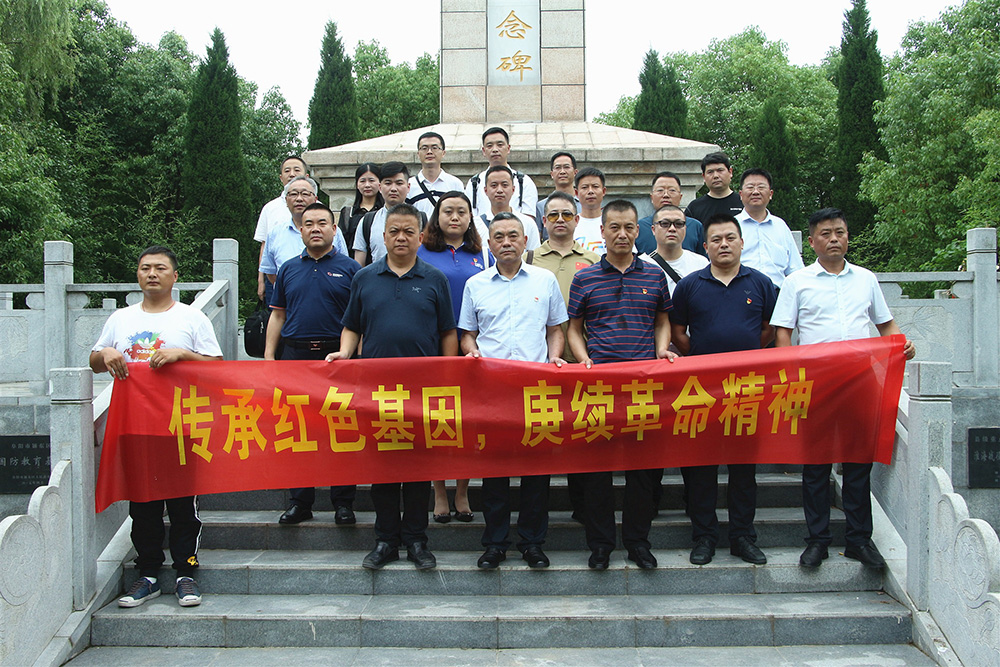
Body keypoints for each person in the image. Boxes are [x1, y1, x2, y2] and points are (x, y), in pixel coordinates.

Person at [771, 207, 916, 570]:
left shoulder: (866, 279)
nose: (834, 239)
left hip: (860, 383)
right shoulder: (797, 282)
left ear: (848, 236)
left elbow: (885, 325)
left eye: (840, 232)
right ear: (812, 241)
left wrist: (901, 344)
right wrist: (789, 382)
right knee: (816, 467)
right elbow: (783, 334)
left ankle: (859, 540)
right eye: (826, 233)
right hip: (816, 385)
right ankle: (817, 541)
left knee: (858, 464)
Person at [90, 245, 223, 608]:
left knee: (182, 505)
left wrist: (183, 355)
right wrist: (106, 354)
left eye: (160, 268)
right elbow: (94, 360)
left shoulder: (191, 318)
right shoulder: (121, 319)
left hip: (181, 425)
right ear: (138, 275)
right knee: (143, 503)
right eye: (145, 268)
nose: (152, 273)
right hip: (135, 425)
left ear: (174, 276)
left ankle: (186, 572)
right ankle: (147, 574)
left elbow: (216, 366)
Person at [327, 203, 458, 571]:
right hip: (376, 391)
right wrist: (344, 352)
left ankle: (416, 539)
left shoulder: (435, 279)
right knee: (382, 469)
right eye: (394, 232)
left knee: (417, 470)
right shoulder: (364, 278)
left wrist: (447, 375)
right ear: (383, 237)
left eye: (408, 232)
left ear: (421, 237)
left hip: (421, 392)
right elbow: (353, 325)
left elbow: (447, 331)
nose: (401, 238)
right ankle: (385, 540)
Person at [566, 200, 677, 571]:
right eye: (614, 227)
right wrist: (583, 359)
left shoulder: (654, 276)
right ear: (602, 231)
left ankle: (638, 542)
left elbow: (662, 320)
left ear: (637, 231)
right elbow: (574, 328)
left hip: (644, 387)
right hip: (599, 387)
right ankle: (600, 545)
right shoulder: (585, 278)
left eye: (629, 227)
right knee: (597, 472)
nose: (622, 234)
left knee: (643, 472)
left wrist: (661, 349)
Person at [460, 211, 568, 569]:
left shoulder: (544, 280)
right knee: (495, 474)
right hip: (492, 392)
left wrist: (554, 358)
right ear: (489, 244)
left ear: (525, 241)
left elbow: (555, 329)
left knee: (536, 474)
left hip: (536, 391)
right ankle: (495, 543)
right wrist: (471, 352)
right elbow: (467, 334)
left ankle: (533, 543)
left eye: (513, 236)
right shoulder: (475, 284)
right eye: (499, 237)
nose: (506, 242)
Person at [669, 214, 777, 567]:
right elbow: (678, 332)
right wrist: (702, 359)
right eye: (716, 239)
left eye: (730, 237)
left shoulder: (760, 283)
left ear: (742, 242)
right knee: (701, 468)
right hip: (702, 390)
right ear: (705, 246)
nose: (724, 244)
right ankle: (704, 536)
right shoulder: (690, 285)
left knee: (743, 469)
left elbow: (769, 329)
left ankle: (743, 536)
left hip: (747, 389)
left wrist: (745, 356)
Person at [265, 202, 360, 527]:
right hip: (296, 358)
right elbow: (278, 315)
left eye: (322, 223)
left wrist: (355, 358)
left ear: (334, 229)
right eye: (309, 224)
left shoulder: (351, 269)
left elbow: (358, 321)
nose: (315, 228)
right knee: (298, 430)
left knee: (342, 430)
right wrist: (269, 358)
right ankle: (300, 501)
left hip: (338, 357)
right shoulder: (289, 269)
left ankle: (343, 502)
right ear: (301, 229)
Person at [417, 191, 491, 524]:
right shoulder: (422, 251)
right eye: (448, 211)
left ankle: (462, 490)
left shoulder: (482, 253)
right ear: (437, 216)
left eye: (462, 211)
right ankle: (439, 491)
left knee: (468, 422)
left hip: (472, 345)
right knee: (436, 420)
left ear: (470, 217)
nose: (455, 217)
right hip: (433, 345)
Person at [527, 191, 600, 522]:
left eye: (567, 215)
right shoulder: (528, 258)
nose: (560, 220)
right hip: (538, 362)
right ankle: (536, 513)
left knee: (584, 435)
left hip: (582, 358)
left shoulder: (594, 260)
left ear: (577, 220)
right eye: (553, 215)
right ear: (543, 221)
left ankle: (583, 506)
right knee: (542, 434)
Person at [260, 176, 349, 296]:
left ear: (315, 199)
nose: (299, 199)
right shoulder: (275, 233)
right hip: (289, 300)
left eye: (305, 194)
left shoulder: (333, 231)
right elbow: (271, 272)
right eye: (293, 194)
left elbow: (344, 265)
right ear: (286, 200)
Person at [735, 168, 804, 290]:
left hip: (778, 294)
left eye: (761, 187)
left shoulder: (781, 226)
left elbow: (795, 269)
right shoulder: (732, 225)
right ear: (741, 194)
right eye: (750, 187)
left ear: (770, 194)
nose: (755, 192)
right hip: (742, 293)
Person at [254, 156, 307, 303]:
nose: (292, 174)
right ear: (281, 177)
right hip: (275, 277)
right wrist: (261, 280)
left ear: (307, 176)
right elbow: (264, 245)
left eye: (297, 170)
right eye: (287, 171)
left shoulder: (318, 208)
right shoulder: (270, 208)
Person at [353, 162, 426, 266]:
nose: (393, 189)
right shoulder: (367, 221)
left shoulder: (422, 219)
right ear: (380, 187)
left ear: (408, 187)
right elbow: (359, 264)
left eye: (399, 183)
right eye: (388, 183)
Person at [465, 127, 538, 221]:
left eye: (500, 145)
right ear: (483, 151)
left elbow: (529, 219)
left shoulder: (524, 182)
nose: (495, 149)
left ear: (508, 148)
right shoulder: (474, 183)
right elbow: (470, 218)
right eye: (490, 146)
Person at [640, 205, 709, 295]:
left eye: (679, 224)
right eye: (665, 224)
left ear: (685, 229)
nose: (672, 229)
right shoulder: (641, 265)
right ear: (653, 229)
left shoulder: (701, 264)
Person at [635, 171, 706, 257]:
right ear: (652, 197)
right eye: (660, 190)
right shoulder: (640, 227)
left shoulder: (695, 226)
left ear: (680, 197)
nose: (666, 195)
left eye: (672, 190)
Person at [481, 165, 541, 250]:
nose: (499, 190)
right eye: (494, 185)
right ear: (486, 190)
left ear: (513, 189)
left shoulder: (528, 223)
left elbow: (534, 254)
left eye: (504, 185)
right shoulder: (476, 225)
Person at [408, 132, 464, 219]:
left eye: (434, 148)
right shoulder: (409, 185)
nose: (429, 152)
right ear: (418, 154)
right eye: (424, 148)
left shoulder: (455, 184)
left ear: (443, 153)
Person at [684, 153, 744, 223]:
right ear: (704, 176)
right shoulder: (694, 207)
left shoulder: (744, 203)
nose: (716, 176)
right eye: (710, 172)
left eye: (720, 170)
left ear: (730, 172)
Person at [534, 151, 580, 240]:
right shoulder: (541, 206)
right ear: (552, 174)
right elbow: (537, 238)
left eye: (566, 167)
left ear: (575, 172)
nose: (562, 172)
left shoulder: (584, 204)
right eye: (558, 167)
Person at [338, 163, 384, 249]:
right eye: (362, 181)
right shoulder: (348, 213)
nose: (367, 185)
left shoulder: (385, 211)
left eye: (371, 180)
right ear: (357, 184)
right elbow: (342, 243)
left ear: (380, 183)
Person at [572, 167, 607, 255]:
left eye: (595, 186)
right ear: (576, 193)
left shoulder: (613, 223)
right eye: (584, 187)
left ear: (603, 191)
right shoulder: (570, 224)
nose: (590, 191)